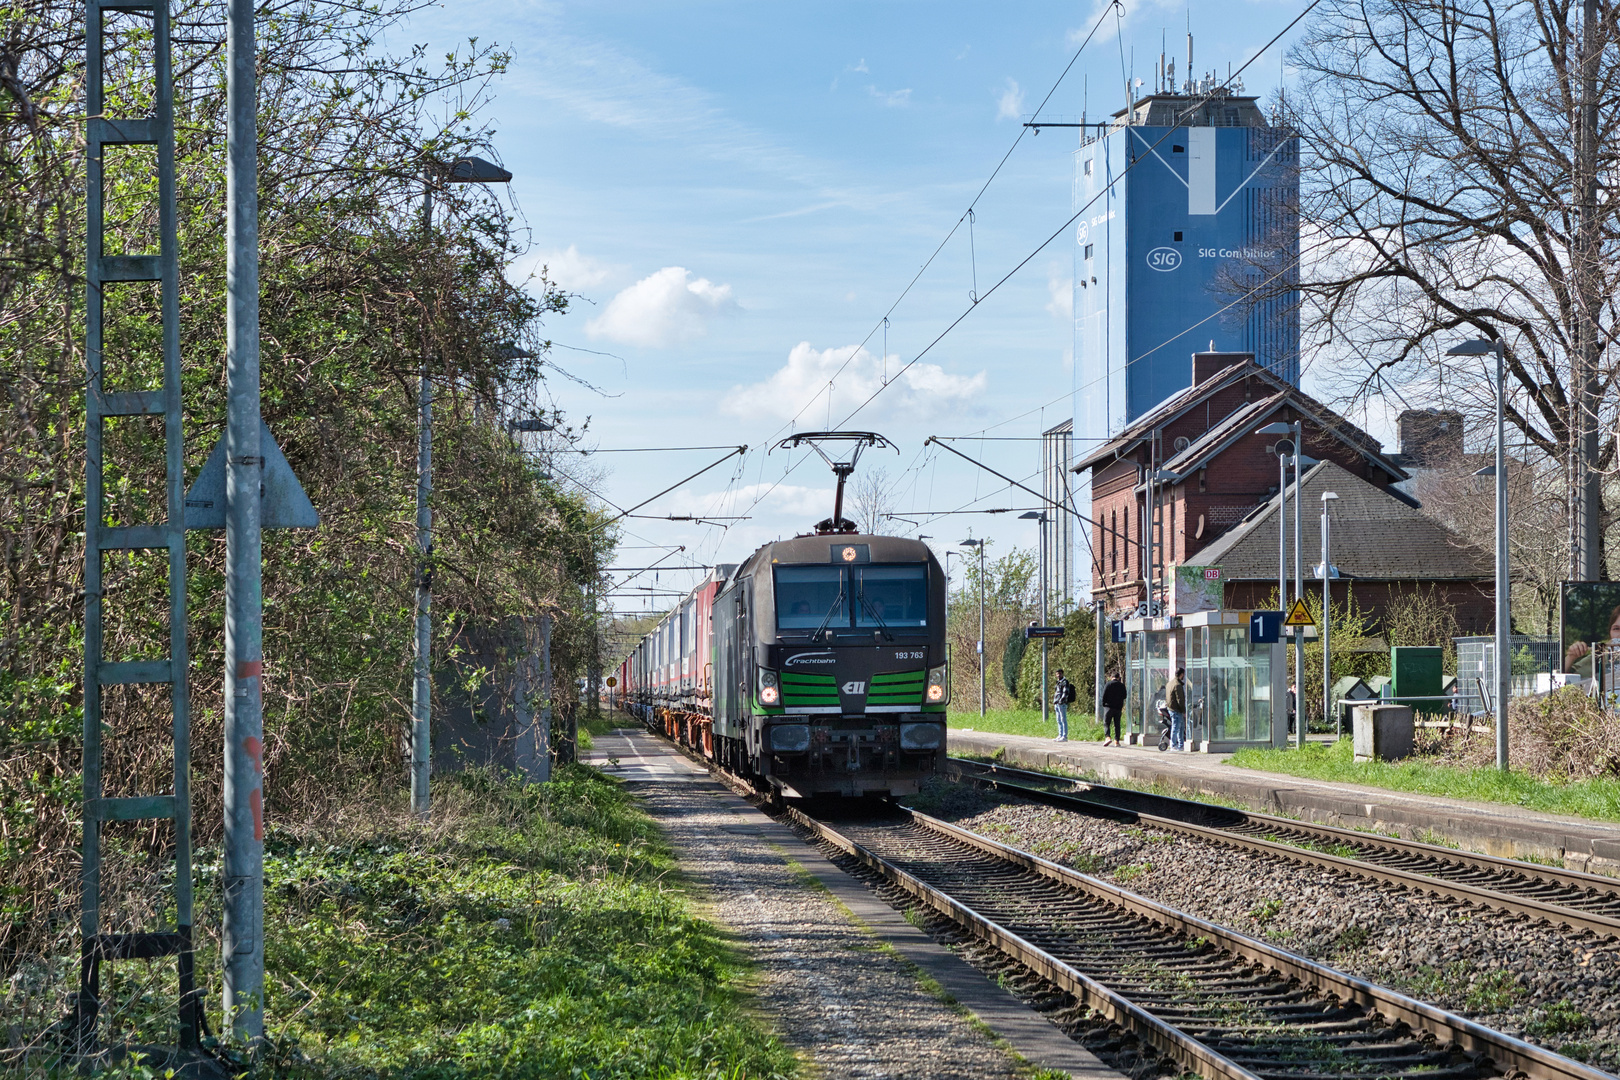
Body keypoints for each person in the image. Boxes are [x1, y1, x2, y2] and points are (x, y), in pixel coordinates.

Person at [1100, 669, 1126, 746]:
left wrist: (1104, 704)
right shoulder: (1122, 685)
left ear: (1111, 677)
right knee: (1117, 724)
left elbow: (1104, 695)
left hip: (1108, 707)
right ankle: (1117, 741)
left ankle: (1108, 737)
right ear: (1118, 677)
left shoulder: (1108, 684)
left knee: (1106, 723)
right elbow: (1125, 696)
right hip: (1118, 707)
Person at [1165, 666, 1188, 751]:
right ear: (1181, 675)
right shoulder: (1177, 685)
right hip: (1176, 709)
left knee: (1180, 727)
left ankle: (1180, 745)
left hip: (1171, 708)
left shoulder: (1170, 683)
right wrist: (1184, 710)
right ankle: (1174, 745)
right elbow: (1180, 700)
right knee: (1176, 727)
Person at [1052, 668, 1073, 741]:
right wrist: (1055, 701)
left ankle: (1064, 736)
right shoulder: (1058, 682)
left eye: (1060, 673)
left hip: (1062, 703)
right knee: (1058, 719)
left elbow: (1065, 693)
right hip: (1057, 703)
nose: (1058, 675)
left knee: (1063, 719)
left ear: (1062, 674)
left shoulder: (1065, 682)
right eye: (1057, 674)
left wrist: (1061, 701)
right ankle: (1060, 734)